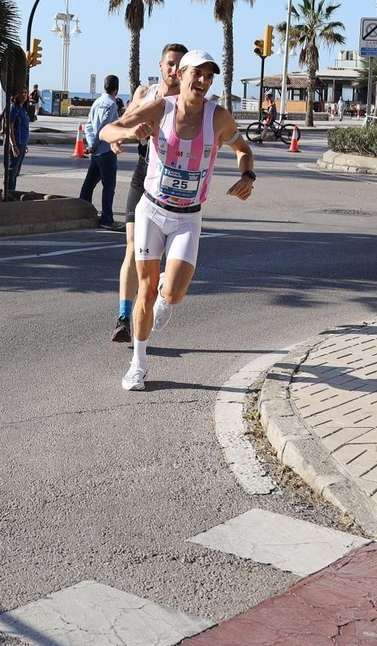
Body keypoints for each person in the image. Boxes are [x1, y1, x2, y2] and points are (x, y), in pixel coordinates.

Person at [101, 49, 255, 391]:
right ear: (181, 75)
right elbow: (108, 131)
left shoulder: (219, 118)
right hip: (152, 211)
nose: (202, 81)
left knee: (173, 293)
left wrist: (248, 176)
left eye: (208, 76)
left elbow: (244, 150)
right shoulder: (161, 109)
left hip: (188, 218)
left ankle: (165, 298)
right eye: (196, 74)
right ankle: (137, 365)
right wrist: (128, 134)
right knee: (145, 288)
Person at [108, 43, 186, 342]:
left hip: (171, 179)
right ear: (161, 65)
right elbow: (120, 124)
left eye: (179, 65)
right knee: (131, 247)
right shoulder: (145, 94)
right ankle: (124, 317)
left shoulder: (187, 102)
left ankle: (159, 293)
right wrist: (120, 139)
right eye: (169, 63)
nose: (173, 69)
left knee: (157, 255)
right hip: (144, 172)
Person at [79, 75, 123, 230]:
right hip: (106, 150)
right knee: (108, 186)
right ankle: (107, 218)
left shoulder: (96, 102)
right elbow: (104, 127)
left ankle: (82, 211)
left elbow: (89, 125)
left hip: (97, 151)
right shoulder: (111, 104)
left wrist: (91, 144)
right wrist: (96, 144)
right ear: (117, 87)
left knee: (89, 183)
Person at [3, 90, 29, 194]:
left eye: (25, 93)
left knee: (16, 172)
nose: (23, 95)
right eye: (21, 92)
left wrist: (24, 144)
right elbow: (9, 128)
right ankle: (9, 194)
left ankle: (12, 193)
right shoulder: (14, 109)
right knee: (11, 172)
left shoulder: (22, 109)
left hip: (22, 143)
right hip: (15, 143)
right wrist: (14, 145)